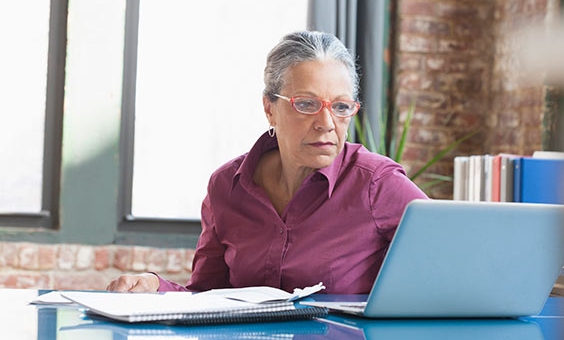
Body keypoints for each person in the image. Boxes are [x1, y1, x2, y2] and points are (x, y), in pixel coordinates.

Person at [107, 31, 428, 294]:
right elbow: (206, 298)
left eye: (341, 107)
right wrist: (154, 287)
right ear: (269, 108)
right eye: (306, 104)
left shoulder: (376, 183)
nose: (327, 122)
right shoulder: (227, 186)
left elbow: (452, 262)